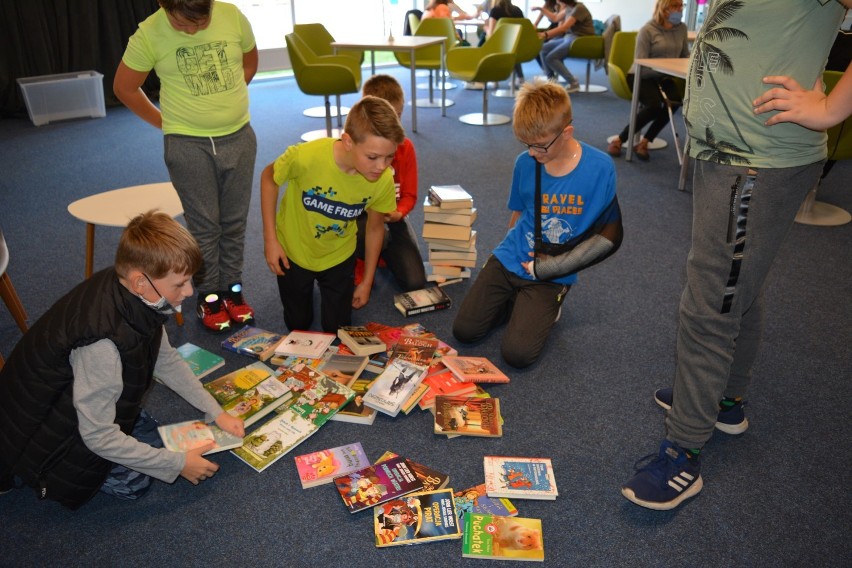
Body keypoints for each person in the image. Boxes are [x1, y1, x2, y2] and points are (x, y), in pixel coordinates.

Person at [621, 0, 852, 511]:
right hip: (724, 154)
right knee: (738, 281)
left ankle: (683, 449)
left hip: (756, 160)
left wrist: (832, 108)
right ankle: (726, 400)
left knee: (709, 300)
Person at [0, 212, 246, 509]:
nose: (190, 291)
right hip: (43, 436)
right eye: (180, 284)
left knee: (150, 436)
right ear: (141, 283)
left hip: (76, 395)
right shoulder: (102, 345)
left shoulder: (130, 289)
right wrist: (176, 465)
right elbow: (98, 436)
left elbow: (165, 359)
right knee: (136, 484)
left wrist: (214, 411)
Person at [452, 80, 622, 369]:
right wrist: (502, 259)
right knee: (465, 331)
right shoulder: (525, 162)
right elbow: (518, 215)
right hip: (513, 257)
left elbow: (606, 235)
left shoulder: (600, 167)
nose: (533, 152)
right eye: (526, 144)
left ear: (566, 132)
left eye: (540, 145)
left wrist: (555, 268)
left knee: (517, 354)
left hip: (553, 272)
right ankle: (517, 298)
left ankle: (546, 303)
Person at [114, 0, 259, 333]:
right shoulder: (149, 34)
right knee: (206, 226)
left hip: (239, 137)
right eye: (183, 23)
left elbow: (249, 63)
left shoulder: (233, 15)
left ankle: (233, 289)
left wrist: (224, 99)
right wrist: (165, 122)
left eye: (201, 20)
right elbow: (124, 87)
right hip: (188, 145)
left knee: (235, 222)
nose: (193, 29)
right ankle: (208, 295)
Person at [260, 96, 404, 333]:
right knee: (298, 325)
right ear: (347, 141)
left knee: (337, 330)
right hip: (294, 251)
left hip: (339, 256)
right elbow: (268, 178)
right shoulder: (307, 156)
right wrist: (270, 240)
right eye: (372, 157)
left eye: (389, 157)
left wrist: (367, 282)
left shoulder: (383, 179)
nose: (381, 166)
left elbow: (376, 227)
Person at [355, 75, 427, 292]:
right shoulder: (357, 148)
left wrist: (399, 213)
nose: (395, 124)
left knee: (415, 281)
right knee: (372, 233)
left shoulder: (406, 148)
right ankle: (360, 258)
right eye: (388, 117)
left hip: (392, 217)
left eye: (398, 115)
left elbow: (410, 195)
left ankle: (381, 252)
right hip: (358, 219)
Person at [607, 0, 688, 161]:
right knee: (653, 106)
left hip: (664, 76)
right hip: (641, 75)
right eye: (675, 6)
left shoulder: (682, 29)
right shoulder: (647, 30)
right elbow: (640, 62)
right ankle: (620, 139)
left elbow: (684, 55)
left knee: (674, 103)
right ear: (664, 9)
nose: (680, 9)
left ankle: (645, 142)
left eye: (681, 6)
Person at [535, 0, 595, 93]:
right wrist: (541, 9)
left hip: (579, 39)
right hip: (569, 37)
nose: (557, 1)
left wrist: (545, 34)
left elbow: (564, 28)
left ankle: (573, 83)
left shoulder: (579, 8)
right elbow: (555, 18)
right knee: (542, 49)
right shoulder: (569, 8)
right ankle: (551, 82)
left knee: (551, 58)